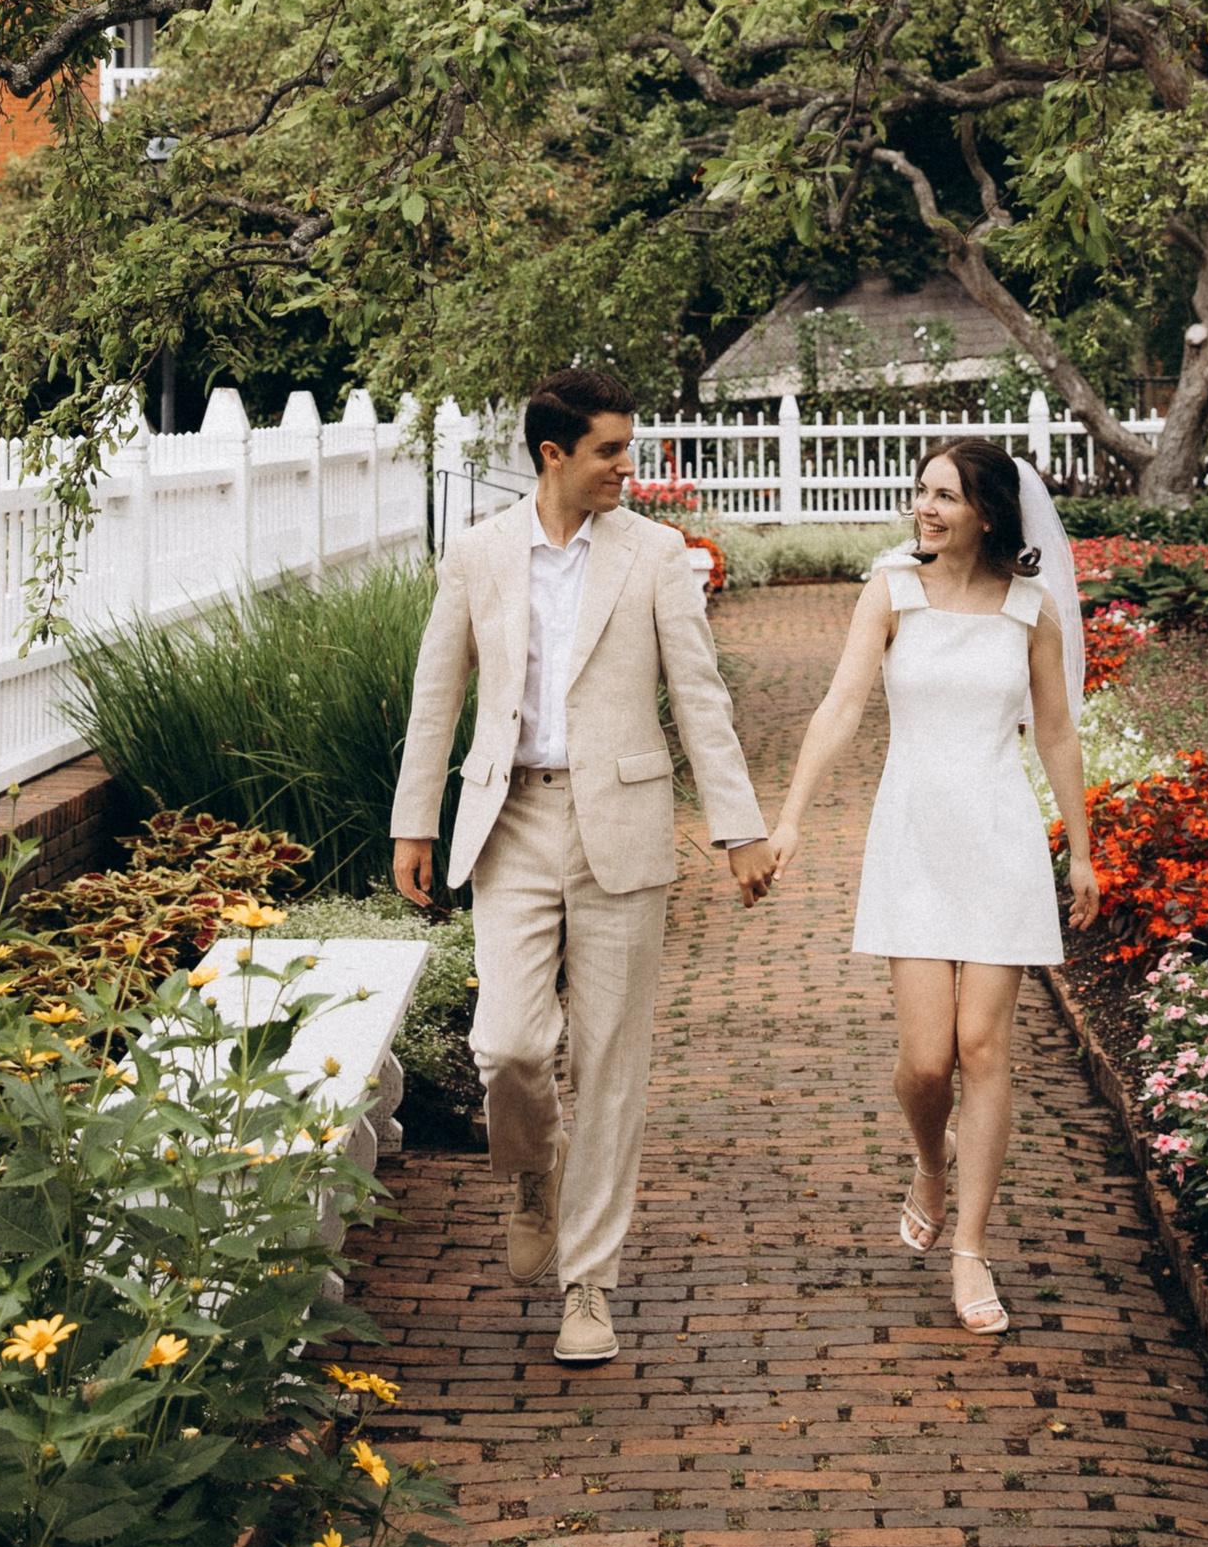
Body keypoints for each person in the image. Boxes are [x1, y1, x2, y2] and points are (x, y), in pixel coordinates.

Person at [391, 366, 773, 1365]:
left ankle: (588, 1287)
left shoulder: (655, 555)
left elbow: (700, 698)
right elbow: (437, 696)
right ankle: (530, 1174)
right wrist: (413, 825)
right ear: (554, 454)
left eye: (627, 446)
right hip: (509, 819)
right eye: (609, 449)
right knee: (508, 1045)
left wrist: (739, 829)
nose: (626, 465)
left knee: (610, 1061)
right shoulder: (476, 555)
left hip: (623, 823)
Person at [759, 436, 1098, 1335]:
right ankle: (929, 1161)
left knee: (984, 1050)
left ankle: (971, 1250)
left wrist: (1083, 852)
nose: (926, 508)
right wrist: (790, 816)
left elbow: (1056, 736)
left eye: (945, 495)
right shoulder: (892, 590)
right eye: (921, 492)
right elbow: (841, 705)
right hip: (912, 837)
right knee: (926, 1063)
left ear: (987, 512)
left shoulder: (1031, 611)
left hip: (1000, 839)